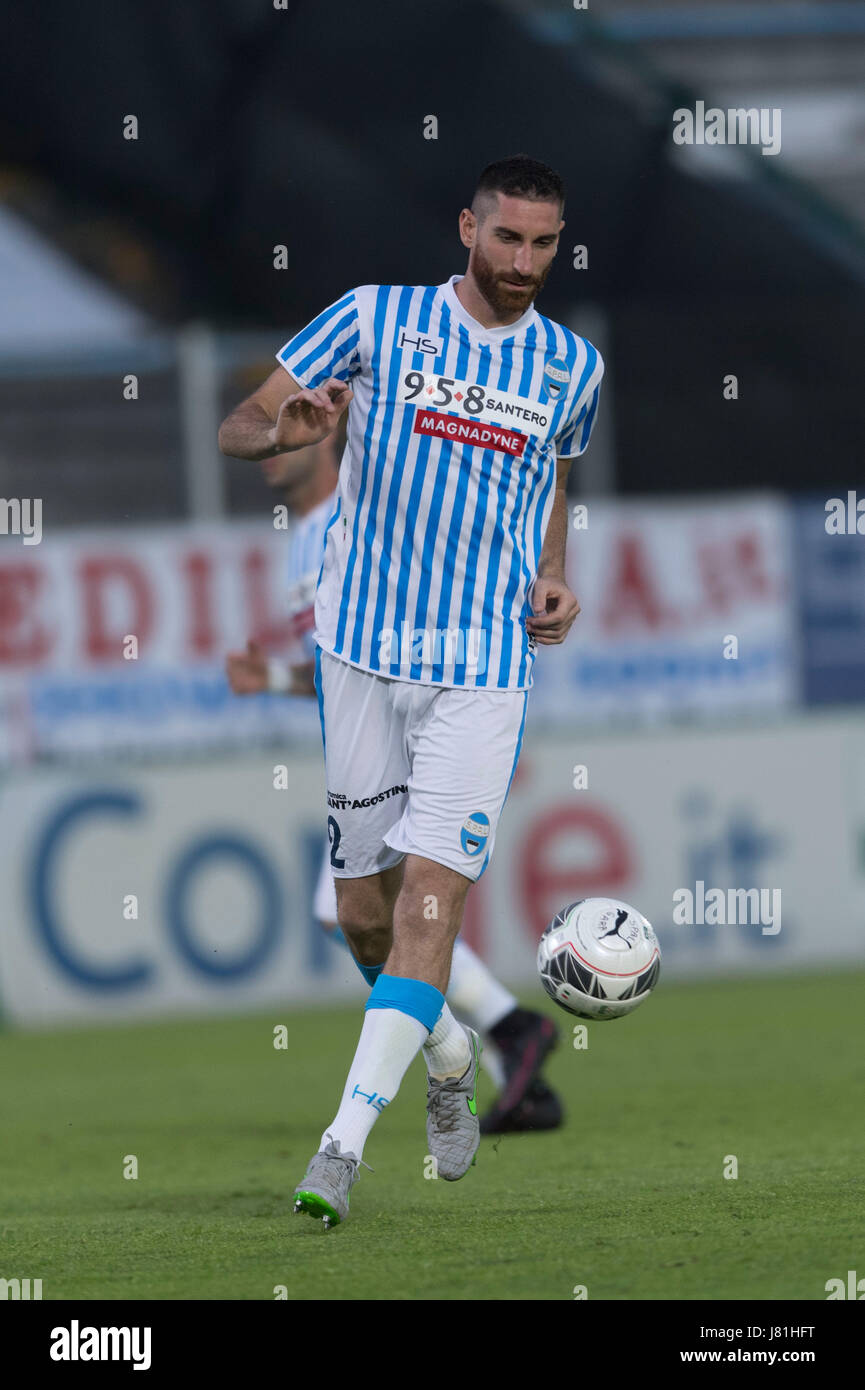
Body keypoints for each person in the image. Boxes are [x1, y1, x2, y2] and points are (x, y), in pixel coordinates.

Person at [218, 154, 604, 1227]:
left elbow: (554, 481)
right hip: (360, 658)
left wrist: (555, 573)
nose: (524, 261)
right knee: (364, 920)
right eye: (507, 238)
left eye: (544, 243)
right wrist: (282, 432)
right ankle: (447, 1051)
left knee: (432, 907)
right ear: (465, 230)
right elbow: (238, 424)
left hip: (482, 671)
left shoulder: (573, 367)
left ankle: (339, 1151)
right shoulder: (373, 318)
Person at [225, 429, 564, 1134]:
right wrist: (275, 680)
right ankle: (508, 1047)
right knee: (360, 915)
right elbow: (336, 667)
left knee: (372, 913)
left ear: (331, 437)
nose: (273, 449)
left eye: (291, 432)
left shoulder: (352, 524)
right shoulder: (304, 537)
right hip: (368, 742)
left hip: (411, 737)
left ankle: (491, 1038)